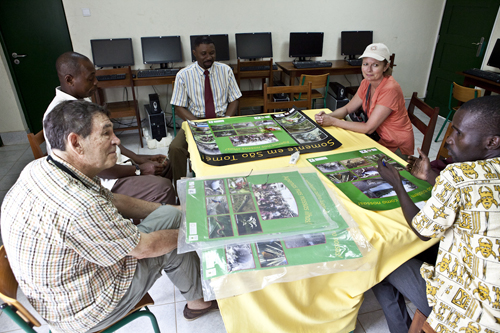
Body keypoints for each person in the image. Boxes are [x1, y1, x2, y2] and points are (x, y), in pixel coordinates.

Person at [1, 100, 217, 333]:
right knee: (167, 243)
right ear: (76, 142)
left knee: (169, 218)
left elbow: (114, 199)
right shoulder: (80, 206)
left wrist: (179, 212)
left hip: (62, 291)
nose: (117, 140)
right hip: (83, 311)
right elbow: (144, 248)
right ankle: (198, 301)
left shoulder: (44, 166)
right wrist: (197, 230)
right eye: (106, 133)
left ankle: (197, 301)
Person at [372, 95, 500, 332]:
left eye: (458, 133)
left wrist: (397, 184)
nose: (449, 140)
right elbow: (474, 198)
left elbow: (422, 230)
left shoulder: (459, 175)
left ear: (492, 142)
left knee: (379, 261)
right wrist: (431, 177)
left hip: (470, 314)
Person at [44, 51, 175, 205]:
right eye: (90, 78)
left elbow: (112, 142)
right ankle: (157, 218)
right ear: (70, 79)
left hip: (115, 166)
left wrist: (140, 158)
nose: (95, 82)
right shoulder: (62, 116)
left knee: (165, 165)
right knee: (163, 188)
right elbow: (96, 167)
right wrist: (139, 169)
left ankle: (166, 210)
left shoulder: (79, 102)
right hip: (104, 180)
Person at [315, 43, 414, 159]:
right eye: (365, 64)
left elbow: (368, 128)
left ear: (386, 67)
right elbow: (347, 108)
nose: (368, 70)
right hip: (376, 138)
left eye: (375, 65)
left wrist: (332, 121)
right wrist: (327, 116)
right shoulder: (366, 82)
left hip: (394, 146)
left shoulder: (390, 89)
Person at [169, 36, 242, 189]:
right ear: (194, 53)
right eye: (204, 54)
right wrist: (198, 124)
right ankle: (179, 189)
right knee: (175, 148)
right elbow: (179, 107)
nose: (209, 57)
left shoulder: (225, 70)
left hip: (221, 120)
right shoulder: (183, 75)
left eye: (212, 53)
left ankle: (235, 185)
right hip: (195, 121)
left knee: (244, 144)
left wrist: (226, 119)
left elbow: (234, 99)